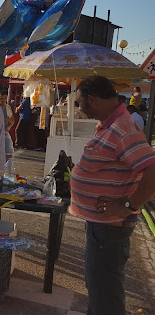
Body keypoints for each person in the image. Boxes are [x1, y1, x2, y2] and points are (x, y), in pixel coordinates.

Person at [69, 76, 155, 315]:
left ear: (92, 100)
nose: (79, 108)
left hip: (110, 228)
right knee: (98, 288)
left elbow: (152, 170)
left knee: (105, 293)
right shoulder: (111, 124)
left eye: (79, 103)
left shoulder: (123, 128)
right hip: (102, 226)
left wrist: (128, 204)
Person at [0, 91, 15, 160]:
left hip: (4, 131)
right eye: (1, 98)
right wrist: (5, 119)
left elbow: (12, 120)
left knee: (9, 151)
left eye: (5, 98)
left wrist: (9, 126)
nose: (3, 100)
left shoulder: (8, 107)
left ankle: (7, 167)